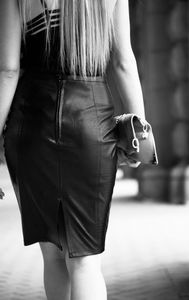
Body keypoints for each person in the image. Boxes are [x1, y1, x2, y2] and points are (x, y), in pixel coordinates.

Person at [0, 0, 146, 299]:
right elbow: (122, 62)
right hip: (91, 120)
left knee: (53, 254)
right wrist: (139, 135)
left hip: (32, 124)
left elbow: (8, 70)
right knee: (86, 262)